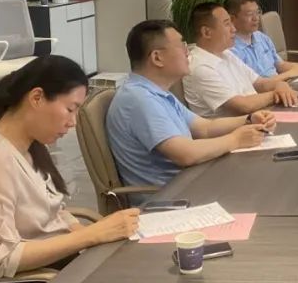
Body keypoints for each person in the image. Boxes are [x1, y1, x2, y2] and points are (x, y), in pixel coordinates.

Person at [0, 55, 142, 283]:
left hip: (49, 274)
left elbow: (52, 209)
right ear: (37, 98)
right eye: (70, 109)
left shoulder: (27, 145)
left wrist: (85, 234)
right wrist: (91, 235)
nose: (73, 122)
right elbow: (2, 259)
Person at [107, 19, 276, 187]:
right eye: (181, 46)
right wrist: (236, 139)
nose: (188, 52)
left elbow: (205, 128)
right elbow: (185, 154)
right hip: (172, 195)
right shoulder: (139, 100)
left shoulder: (157, 93)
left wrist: (249, 119)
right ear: (157, 57)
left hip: (193, 180)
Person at [183, 2, 298, 117]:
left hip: (260, 116)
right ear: (206, 32)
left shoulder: (226, 54)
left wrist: (281, 85)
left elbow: (260, 84)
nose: (233, 29)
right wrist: (276, 94)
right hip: (240, 125)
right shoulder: (200, 68)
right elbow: (243, 106)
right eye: (227, 24)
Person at [225, 0, 298, 81]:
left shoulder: (261, 37)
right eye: (249, 14)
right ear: (232, 19)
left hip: (281, 86)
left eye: (257, 12)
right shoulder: (230, 50)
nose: (256, 18)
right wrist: (290, 74)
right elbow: (255, 86)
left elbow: (280, 65)